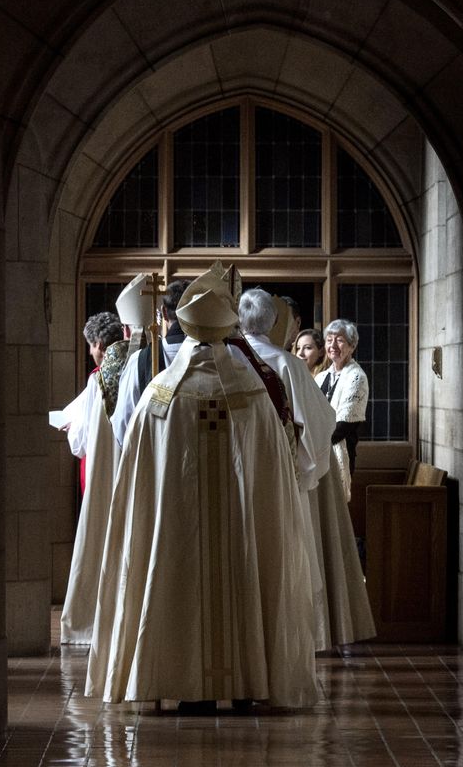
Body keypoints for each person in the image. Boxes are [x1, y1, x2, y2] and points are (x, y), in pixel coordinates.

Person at [87, 265, 318, 710]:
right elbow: (275, 479)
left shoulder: (160, 397)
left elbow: (135, 477)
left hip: (176, 534)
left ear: (189, 331)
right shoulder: (253, 394)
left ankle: (179, 679)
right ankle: (250, 679)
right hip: (240, 534)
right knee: (242, 578)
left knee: (174, 580)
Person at [239, 289, 375, 650]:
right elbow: (321, 424)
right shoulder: (288, 365)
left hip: (234, 479)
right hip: (284, 478)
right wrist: (305, 471)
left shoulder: (228, 361)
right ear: (274, 322)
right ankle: (291, 637)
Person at [58, 309, 128, 644]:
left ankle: (92, 622)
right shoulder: (147, 369)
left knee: (99, 538)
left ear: (99, 343)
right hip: (135, 474)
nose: (90, 352)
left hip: (104, 474)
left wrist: (72, 428)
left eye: (90, 346)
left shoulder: (98, 378)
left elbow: (80, 441)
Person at [109, 278, 189, 445]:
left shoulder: (139, 360)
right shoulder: (216, 357)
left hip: (156, 462)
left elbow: (122, 425)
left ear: (164, 313)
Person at [315, 319, 368, 501]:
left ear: (352, 346)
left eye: (339, 340)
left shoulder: (356, 377)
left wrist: (314, 444)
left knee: (335, 506)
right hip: (317, 451)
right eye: (329, 340)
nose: (333, 345)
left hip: (338, 450)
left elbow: (344, 424)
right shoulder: (321, 377)